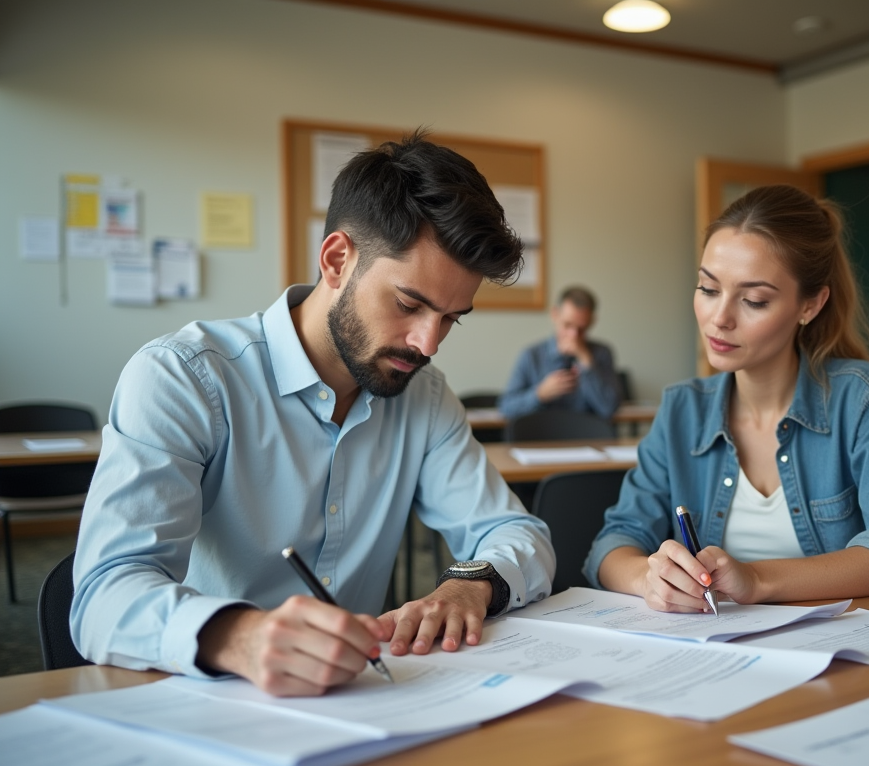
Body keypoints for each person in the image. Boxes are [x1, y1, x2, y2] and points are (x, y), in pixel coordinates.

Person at [72, 132, 555, 697]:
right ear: (336, 260)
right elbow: (103, 596)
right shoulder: (183, 378)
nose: (427, 343)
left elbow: (519, 534)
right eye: (408, 304)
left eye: (451, 318)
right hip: (198, 696)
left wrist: (471, 584)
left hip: (358, 702)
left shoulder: (424, 396)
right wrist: (241, 636)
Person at [583, 185, 869, 612]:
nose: (719, 319)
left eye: (754, 300)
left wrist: (757, 579)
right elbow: (613, 544)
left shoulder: (866, 399)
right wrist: (651, 578)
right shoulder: (683, 409)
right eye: (708, 288)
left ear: (810, 305)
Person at [497, 286, 623, 419]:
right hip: (542, 435)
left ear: (592, 321)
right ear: (555, 314)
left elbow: (610, 408)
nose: (573, 335)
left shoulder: (601, 353)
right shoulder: (531, 356)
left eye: (581, 329)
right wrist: (539, 395)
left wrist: (586, 362)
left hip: (587, 436)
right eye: (567, 325)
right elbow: (506, 408)